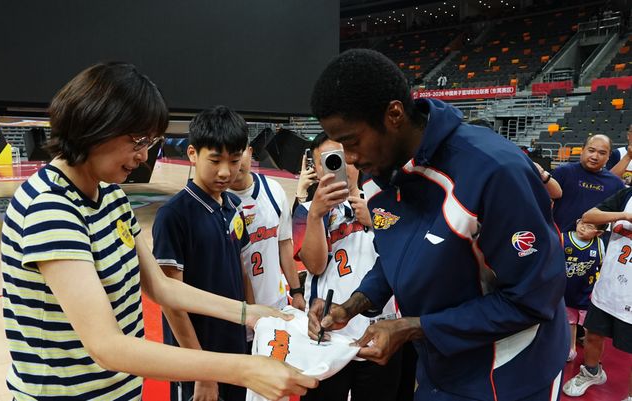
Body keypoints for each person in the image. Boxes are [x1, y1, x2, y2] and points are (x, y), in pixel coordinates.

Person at [0, 62, 317, 400]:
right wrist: (242, 369)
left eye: (150, 142)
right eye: (137, 141)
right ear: (95, 126)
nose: (143, 156)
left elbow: (161, 286)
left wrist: (247, 313)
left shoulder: (111, 195)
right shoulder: (51, 208)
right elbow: (106, 345)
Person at [306, 49, 568, 401]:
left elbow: (533, 300)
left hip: (510, 375)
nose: (349, 158)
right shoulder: (379, 171)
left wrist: (414, 327)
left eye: (352, 142)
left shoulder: (495, 170)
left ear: (394, 114)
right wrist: (353, 304)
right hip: (439, 364)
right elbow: (395, 255)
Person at [152, 105, 259, 401]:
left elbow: (240, 271)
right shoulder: (173, 215)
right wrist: (202, 371)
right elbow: (170, 300)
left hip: (234, 348)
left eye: (234, 161)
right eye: (215, 160)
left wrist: (253, 328)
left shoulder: (233, 207)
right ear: (192, 154)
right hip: (195, 358)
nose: (225, 171)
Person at [293, 132, 401, 401]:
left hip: (380, 330)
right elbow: (314, 266)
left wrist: (376, 221)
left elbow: (405, 252)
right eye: (327, 162)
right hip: (328, 333)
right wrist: (316, 214)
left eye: (341, 159)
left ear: (355, 159)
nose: (336, 168)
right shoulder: (306, 210)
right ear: (317, 169)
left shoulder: (385, 202)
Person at [562, 191, 632, 401]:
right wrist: (625, 216)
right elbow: (589, 216)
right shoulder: (628, 195)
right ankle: (592, 372)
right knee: (593, 334)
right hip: (609, 285)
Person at [228, 145, 305, 311]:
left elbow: (284, 243)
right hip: (237, 310)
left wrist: (296, 291)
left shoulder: (273, 189)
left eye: (239, 152)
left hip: (277, 302)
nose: (236, 160)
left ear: (250, 151)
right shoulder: (216, 200)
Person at [551, 134, 624, 232]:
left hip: (597, 240)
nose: (595, 157)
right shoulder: (563, 172)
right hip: (559, 237)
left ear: (609, 156)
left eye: (602, 153)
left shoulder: (616, 184)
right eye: (591, 150)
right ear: (582, 150)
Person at [561, 219, 605, 362]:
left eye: (589, 226)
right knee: (570, 323)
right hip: (567, 292)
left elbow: (602, 266)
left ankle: (592, 355)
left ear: (598, 233)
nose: (583, 228)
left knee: (590, 326)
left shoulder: (599, 244)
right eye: (582, 223)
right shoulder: (563, 238)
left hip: (588, 293)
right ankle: (570, 349)